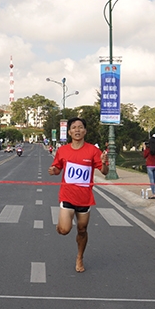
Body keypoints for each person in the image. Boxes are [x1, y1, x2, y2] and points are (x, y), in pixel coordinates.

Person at [48, 117, 109, 273]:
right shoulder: (63, 150)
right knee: (64, 230)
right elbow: (57, 168)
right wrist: (53, 171)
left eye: (80, 127)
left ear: (85, 131)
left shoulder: (93, 151)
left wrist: (104, 162)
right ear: (69, 132)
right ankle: (61, 226)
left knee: (82, 230)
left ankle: (80, 257)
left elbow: (104, 171)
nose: (77, 130)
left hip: (84, 198)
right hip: (67, 196)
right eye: (74, 127)